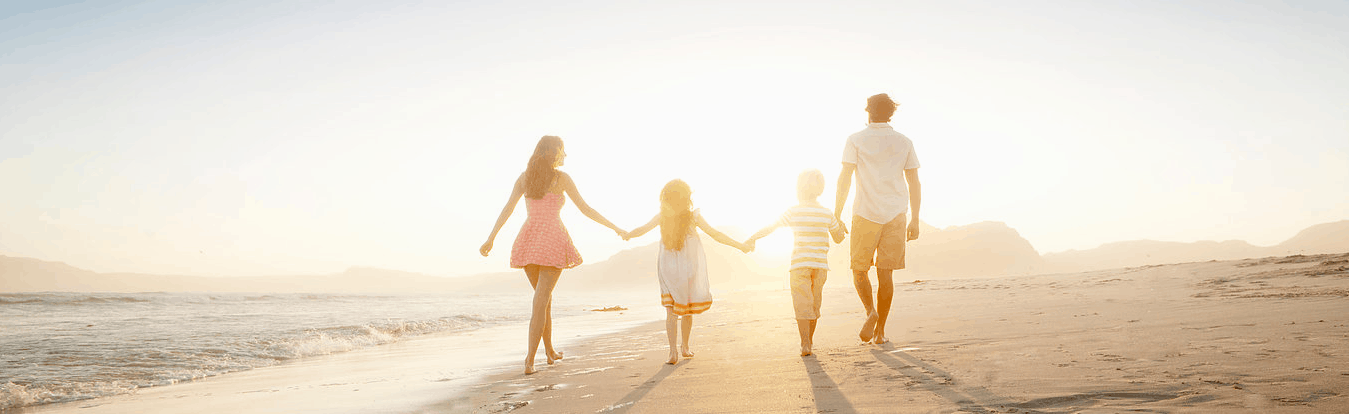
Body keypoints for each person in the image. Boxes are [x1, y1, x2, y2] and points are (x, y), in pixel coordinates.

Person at [479, 135, 627, 374]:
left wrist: (491, 238)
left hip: (528, 240)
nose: (564, 155)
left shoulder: (524, 178)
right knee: (541, 301)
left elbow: (508, 209)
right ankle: (529, 359)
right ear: (552, 153)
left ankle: (548, 351)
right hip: (552, 240)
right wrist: (616, 228)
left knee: (543, 299)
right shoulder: (561, 179)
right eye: (561, 150)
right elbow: (586, 209)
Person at [623, 179, 751, 364]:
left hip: (667, 269)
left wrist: (627, 234)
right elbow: (716, 234)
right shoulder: (694, 217)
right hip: (689, 268)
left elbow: (641, 230)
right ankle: (685, 347)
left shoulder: (662, 217)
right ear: (687, 198)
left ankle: (672, 352)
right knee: (687, 310)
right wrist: (740, 245)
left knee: (671, 312)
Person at [834, 93, 922, 345]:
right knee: (886, 276)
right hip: (895, 214)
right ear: (891, 113)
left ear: (867, 111)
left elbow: (845, 179)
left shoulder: (855, 140)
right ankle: (880, 331)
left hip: (864, 213)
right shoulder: (904, 141)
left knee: (859, 271)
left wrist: (837, 214)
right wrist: (915, 219)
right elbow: (914, 182)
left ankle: (870, 312)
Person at [744, 169, 846, 356]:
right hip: (821, 266)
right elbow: (839, 238)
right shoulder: (826, 213)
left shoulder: (793, 211)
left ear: (798, 189)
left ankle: (804, 343)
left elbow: (771, 227)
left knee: (802, 304)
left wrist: (753, 238)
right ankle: (810, 341)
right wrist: (841, 226)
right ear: (821, 189)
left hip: (800, 265)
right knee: (814, 305)